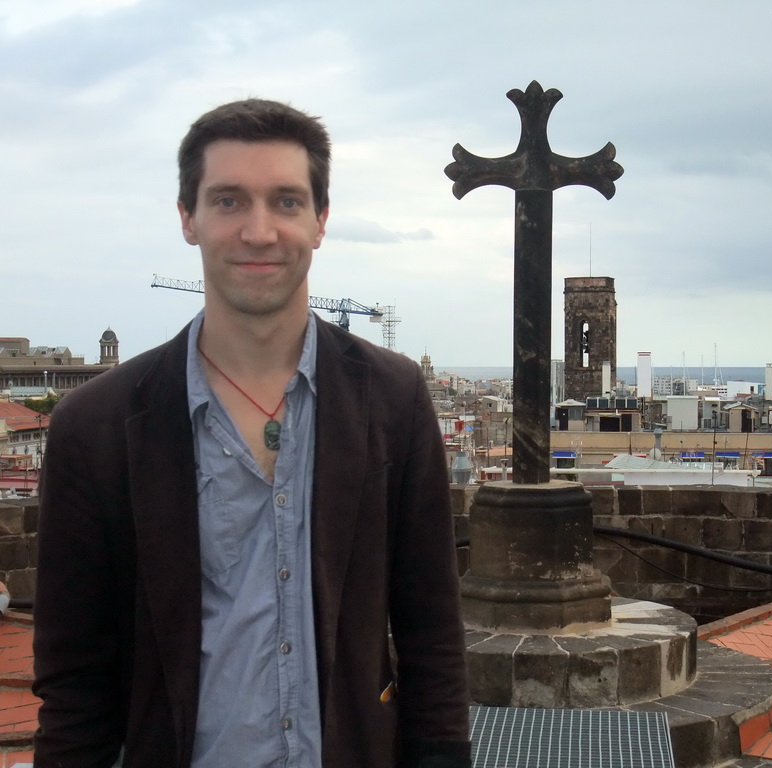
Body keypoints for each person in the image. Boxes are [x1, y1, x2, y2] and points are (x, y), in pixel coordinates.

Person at [32, 99, 471, 768]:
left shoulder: (393, 398)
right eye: (230, 201)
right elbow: (73, 678)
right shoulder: (96, 425)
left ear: (321, 221)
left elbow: (431, 633)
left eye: (287, 202)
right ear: (189, 218)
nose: (260, 231)